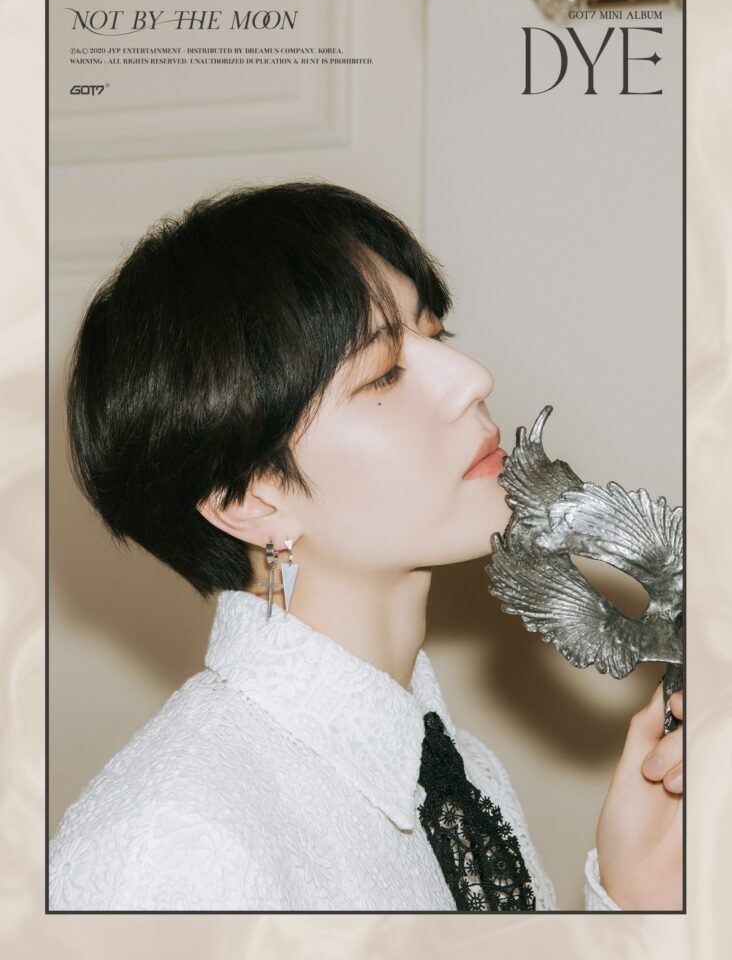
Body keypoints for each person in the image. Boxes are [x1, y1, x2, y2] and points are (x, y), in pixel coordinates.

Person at [49, 180, 683, 912]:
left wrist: (635, 903)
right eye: (384, 372)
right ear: (249, 499)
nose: (473, 378)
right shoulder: (171, 846)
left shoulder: (460, 771)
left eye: (435, 335)